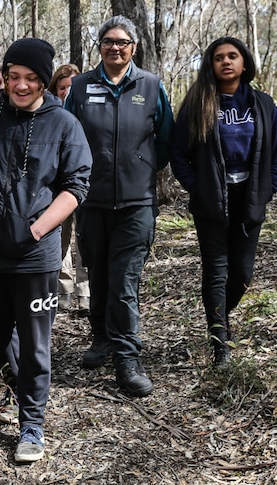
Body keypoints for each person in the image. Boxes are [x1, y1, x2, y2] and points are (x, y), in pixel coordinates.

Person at [0, 38, 92, 463]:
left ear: (43, 80)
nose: (19, 86)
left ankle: (32, 425)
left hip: (36, 254)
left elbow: (75, 187)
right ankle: (18, 388)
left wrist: (36, 229)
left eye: (30, 79)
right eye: (13, 76)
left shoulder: (64, 123)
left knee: (36, 343)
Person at [64, 16, 173, 397]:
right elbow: (68, 137)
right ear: (99, 46)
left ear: (134, 47)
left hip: (136, 203)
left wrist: (140, 168)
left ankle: (127, 359)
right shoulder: (80, 87)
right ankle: (101, 339)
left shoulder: (151, 86)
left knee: (125, 281)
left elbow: (166, 139)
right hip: (90, 201)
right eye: (108, 41)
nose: (115, 47)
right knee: (98, 275)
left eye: (122, 42)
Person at [170, 37, 277, 367]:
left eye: (232, 56)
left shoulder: (263, 105)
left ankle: (219, 315)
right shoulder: (197, 105)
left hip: (249, 197)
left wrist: (268, 188)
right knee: (216, 271)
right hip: (211, 200)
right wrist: (199, 188)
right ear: (211, 65)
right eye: (218, 57)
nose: (226, 62)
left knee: (242, 273)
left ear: (244, 63)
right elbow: (179, 155)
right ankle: (220, 340)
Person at [47, 64, 88, 311]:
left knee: (83, 240)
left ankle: (85, 293)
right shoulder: (48, 114)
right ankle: (64, 291)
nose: (66, 92)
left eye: (70, 88)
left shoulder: (89, 112)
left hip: (83, 185)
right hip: (56, 189)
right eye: (61, 88)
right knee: (60, 239)